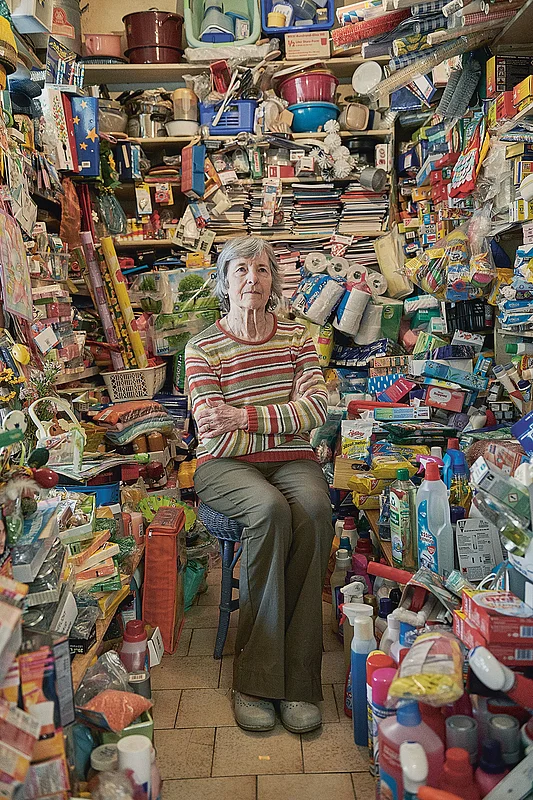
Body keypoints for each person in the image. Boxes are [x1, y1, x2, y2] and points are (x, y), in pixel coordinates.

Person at [185, 236, 334, 734]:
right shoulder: (202, 346)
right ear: (224, 282)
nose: (253, 279)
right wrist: (282, 415)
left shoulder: (297, 338)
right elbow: (212, 429)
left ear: (274, 282)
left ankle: (299, 682)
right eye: (241, 270)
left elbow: (316, 410)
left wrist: (243, 416)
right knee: (269, 510)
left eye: (263, 270)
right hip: (223, 466)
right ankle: (255, 680)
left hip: (292, 459)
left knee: (315, 510)